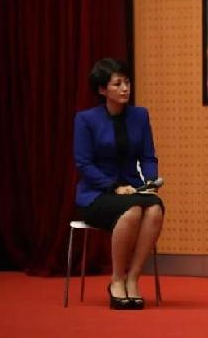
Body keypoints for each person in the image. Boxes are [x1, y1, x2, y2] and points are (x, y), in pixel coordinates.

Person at [74, 58, 164, 310]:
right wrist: (113, 186)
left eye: (127, 82)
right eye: (117, 84)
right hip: (96, 193)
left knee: (155, 209)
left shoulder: (140, 115)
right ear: (103, 90)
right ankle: (116, 280)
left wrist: (150, 180)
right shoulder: (86, 120)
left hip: (132, 188)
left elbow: (148, 156)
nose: (125, 88)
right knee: (133, 210)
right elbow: (83, 163)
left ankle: (133, 279)